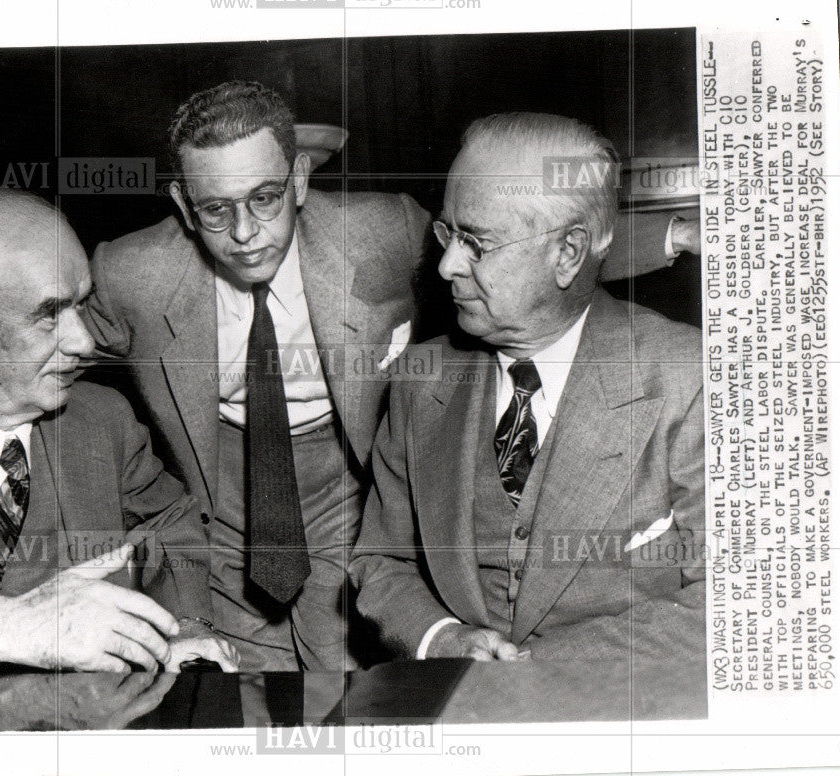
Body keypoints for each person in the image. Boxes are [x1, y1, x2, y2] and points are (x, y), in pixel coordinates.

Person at [85, 81, 695, 671]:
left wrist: (675, 233)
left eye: (265, 199)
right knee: (243, 681)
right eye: (216, 210)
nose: (244, 234)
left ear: (298, 181)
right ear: (182, 205)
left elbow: (525, 242)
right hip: (227, 492)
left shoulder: (382, 233)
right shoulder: (132, 274)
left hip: (349, 482)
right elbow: (40, 336)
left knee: (349, 673)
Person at [349, 112, 704, 663]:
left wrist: (544, 674)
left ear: (567, 252)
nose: (446, 265)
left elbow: (736, 601)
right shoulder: (420, 383)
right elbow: (381, 561)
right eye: (448, 233)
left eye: (475, 242)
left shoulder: (690, 379)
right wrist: (439, 636)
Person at [0, 189, 238, 676]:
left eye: (82, 305)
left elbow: (169, 525)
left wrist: (186, 626)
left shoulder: (103, 420)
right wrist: (6, 628)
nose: (84, 341)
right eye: (50, 313)